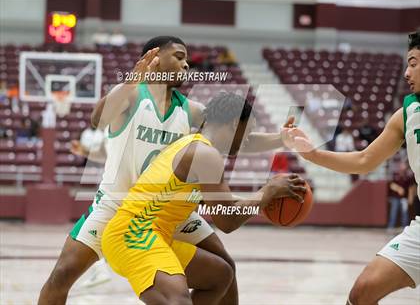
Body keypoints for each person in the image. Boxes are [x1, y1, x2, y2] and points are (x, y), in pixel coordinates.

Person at [39, 36, 294, 305]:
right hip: (118, 204)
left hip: (167, 207)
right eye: (179, 57)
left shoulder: (191, 110)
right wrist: (131, 81)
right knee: (62, 275)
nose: (186, 65)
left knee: (224, 268)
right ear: (155, 58)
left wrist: (281, 139)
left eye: (187, 60)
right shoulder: (133, 95)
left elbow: (234, 136)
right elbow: (97, 119)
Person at [102, 92, 307, 304]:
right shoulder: (205, 154)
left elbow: (217, 203)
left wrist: (261, 197)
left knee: (220, 275)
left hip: (154, 235)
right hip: (132, 235)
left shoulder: (194, 144)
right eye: (247, 133)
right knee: (178, 300)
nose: (246, 141)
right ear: (235, 122)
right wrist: (267, 192)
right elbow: (226, 220)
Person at [284, 31, 420, 304]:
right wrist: (312, 154)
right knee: (362, 293)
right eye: (408, 63)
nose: (407, 72)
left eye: (414, 63)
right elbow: (363, 160)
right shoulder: (406, 113)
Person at [388, 161, 411, 229]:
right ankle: (391, 226)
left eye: (404, 166)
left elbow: (410, 187)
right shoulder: (395, 174)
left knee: (405, 212)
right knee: (393, 212)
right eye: (401, 165)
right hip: (395, 197)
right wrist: (398, 189)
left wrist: (410, 197)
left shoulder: (407, 176)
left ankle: (405, 227)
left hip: (404, 198)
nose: (403, 167)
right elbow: (391, 185)